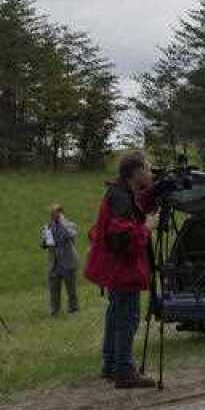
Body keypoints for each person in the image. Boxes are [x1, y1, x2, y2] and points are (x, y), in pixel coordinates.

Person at [84, 151, 157, 389]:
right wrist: (147, 228)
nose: (150, 172)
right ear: (135, 172)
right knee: (127, 316)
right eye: (147, 168)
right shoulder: (121, 197)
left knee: (116, 314)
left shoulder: (121, 193)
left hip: (115, 268)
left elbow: (135, 207)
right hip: (121, 269)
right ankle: (124, 370)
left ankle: (111, 364)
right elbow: (122, 238)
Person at [42, 204, 80, 315]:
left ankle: (73, 307)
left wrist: (62, 223)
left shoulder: (69, 225)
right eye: (52, 214)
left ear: (61, 213)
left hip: (68, 261)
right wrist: (44, 240)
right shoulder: (48, 227)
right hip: (54, 263)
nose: (54, 216)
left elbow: (71, 235)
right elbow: (44, 244)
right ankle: (55, 309)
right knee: (54, 288)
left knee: (71, 288)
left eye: (56, 213)